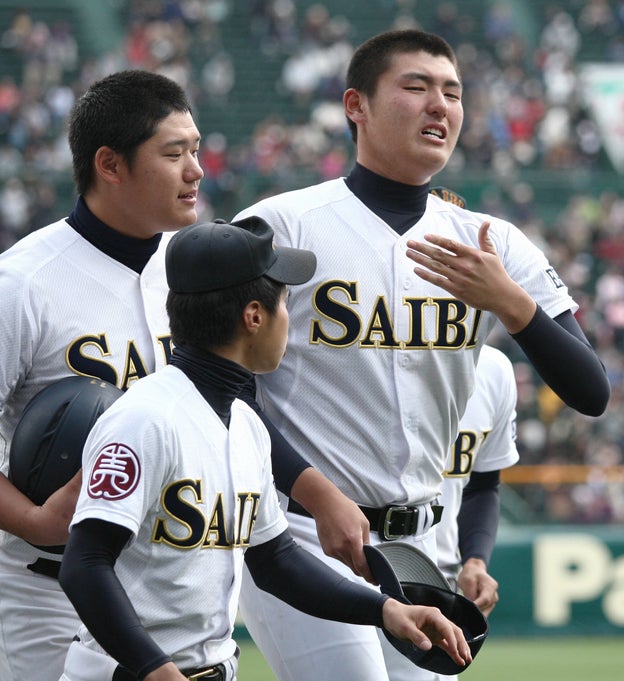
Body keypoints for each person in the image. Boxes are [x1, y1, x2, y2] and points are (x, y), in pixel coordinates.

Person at [232, 28, 610, 681]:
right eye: (416, 87)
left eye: (453, 92)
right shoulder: (279, 226)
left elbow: (591, 390)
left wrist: (510, 302)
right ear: (357, 106)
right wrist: (314, 490)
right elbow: (216, 383)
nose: (440, 105)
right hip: (300, 528)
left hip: (425, 544)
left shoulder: (494, 243)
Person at [0, 69, 368, 681]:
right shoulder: (21, 284)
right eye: (174, 154)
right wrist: (35, 521)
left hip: (171, 590)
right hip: (48, 591)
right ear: (110, 165)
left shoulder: (192, 269)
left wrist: (315, 490)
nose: (196, 169)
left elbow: (230, 408)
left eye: (195, 149)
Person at [58, 217, 472, 681]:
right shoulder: (145, 418)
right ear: (253, 316)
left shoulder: (246, 425)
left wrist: (386, 610)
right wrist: (155, 669)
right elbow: (84, 564)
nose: (287, 319)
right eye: (284, 303)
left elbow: (277, 562)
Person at [435, 344, 519, 616]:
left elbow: (480, 486)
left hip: (436, 577)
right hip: (344, 564)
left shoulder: (493, 368)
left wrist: (475, 560)